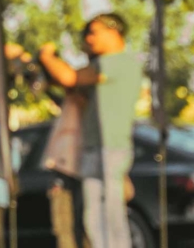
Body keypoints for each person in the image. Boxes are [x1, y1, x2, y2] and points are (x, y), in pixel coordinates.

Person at [36, 13, 143, 248]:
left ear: (113, 31)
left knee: (112, 214)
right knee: (93, 216)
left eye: (94, 32)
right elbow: (71, 89)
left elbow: (69, 77)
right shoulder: (99, 66)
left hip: (111, 147)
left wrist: (46, 56)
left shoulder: (118, 62)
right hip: (93, 146)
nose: (89, 39)